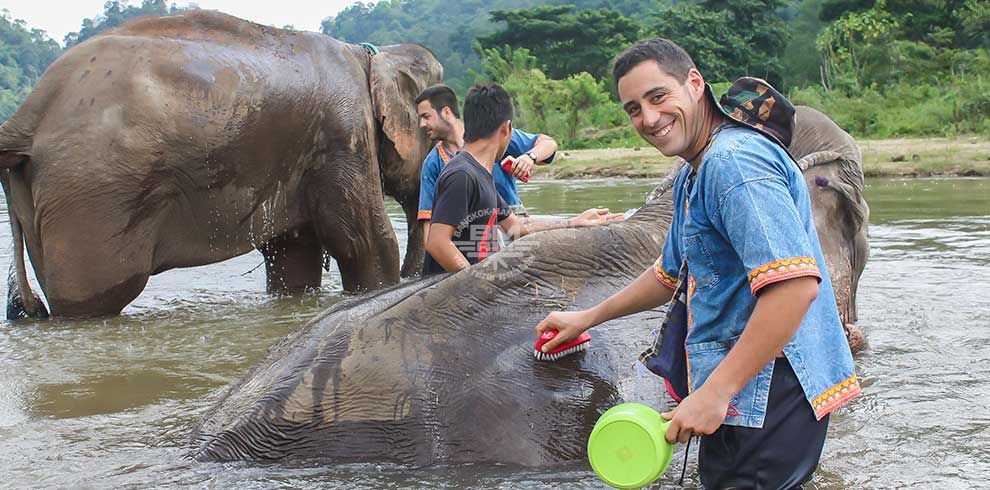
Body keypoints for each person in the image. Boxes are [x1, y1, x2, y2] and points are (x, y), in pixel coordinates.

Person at [535, 39, 860, 488]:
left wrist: (716, 391)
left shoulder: (734, 163)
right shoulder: (696, 170)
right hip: (744, 382)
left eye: (658, 97)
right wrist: (589, 316)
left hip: (771, 383)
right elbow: (668, 275)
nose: (648, 119)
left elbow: (794, 287)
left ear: (694, 83)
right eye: (633, 109)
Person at [423, 83, 621, 276]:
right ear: (506, 129)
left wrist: (574, 223)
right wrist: (477, 285)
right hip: (446, 300)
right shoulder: (461, 175)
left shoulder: (483, 175)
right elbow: (437, 243)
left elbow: (518, 229)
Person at [414, 84, 558, 245]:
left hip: (512, 221)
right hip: (471, 232)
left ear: (446, 112)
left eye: (426, 116)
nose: (421, 124)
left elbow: (548, 144)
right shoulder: (433, 164)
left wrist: (529, 157)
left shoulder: (495, 135)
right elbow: (430, 225)